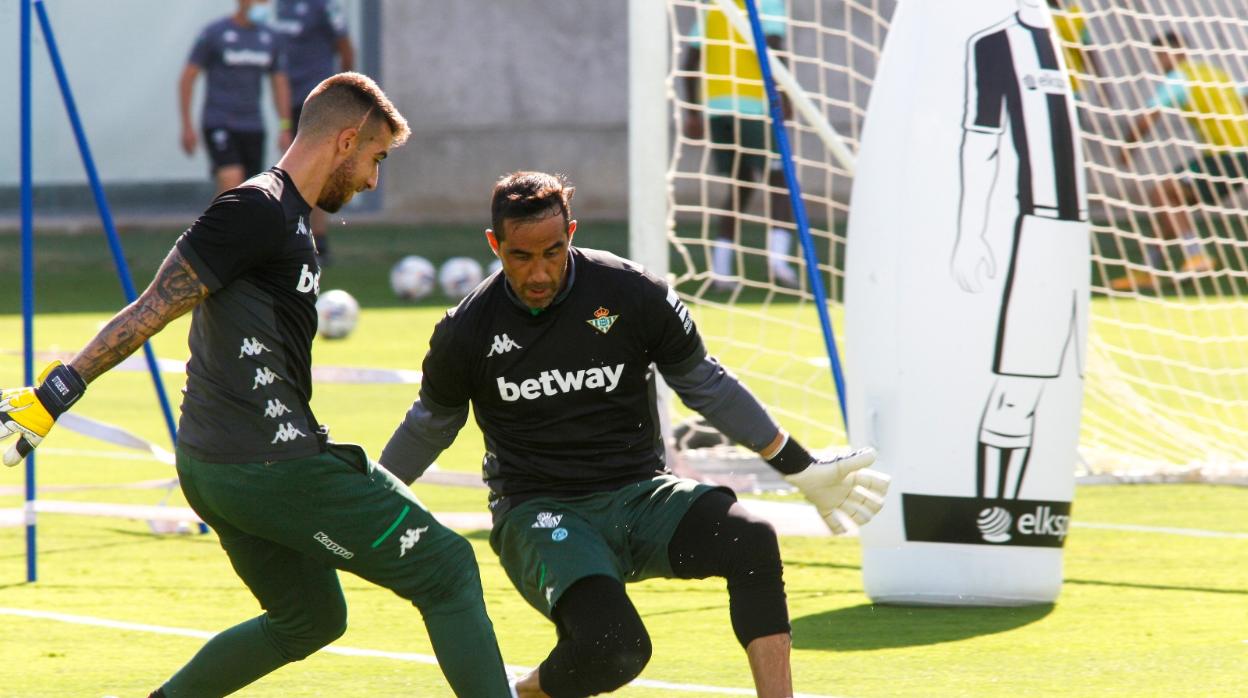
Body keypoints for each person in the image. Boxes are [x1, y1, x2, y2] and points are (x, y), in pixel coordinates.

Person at [1, 73, 511, 698]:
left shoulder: (289, 219)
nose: (374, 179)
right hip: (267, 464)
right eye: (375, 159)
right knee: (448, 568)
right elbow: (152, 307)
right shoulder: (255, 209)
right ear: (346, 140)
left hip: (217, 468)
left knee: (311, 619)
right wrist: (56, 393)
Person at [381, 171, 890, 697]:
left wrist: (799, 466)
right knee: (615, 647)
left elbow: (705, 385)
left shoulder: (631, 292)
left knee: (751, 538)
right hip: (539, 510)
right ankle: (527, 693)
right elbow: (429, 427)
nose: (539, 273)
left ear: (571, 233)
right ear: (495, 245)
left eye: (553, 253)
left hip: (643, 495)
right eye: (520, 257)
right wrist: (358, 501)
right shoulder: (466, 330)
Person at [680, 0, 799, 290]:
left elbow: (691, 61)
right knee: (780, 180)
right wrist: (784, 94)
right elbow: (772, 49)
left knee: (741, 184)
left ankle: (721, 269)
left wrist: (693, 112)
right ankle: (778, 260)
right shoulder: (766, 3)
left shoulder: (714, 6)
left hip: (717, 108)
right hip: (754, 108)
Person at [1111, 31, 1237, 291]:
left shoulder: (1179, 79)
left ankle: (1196, 255)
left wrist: (1126, 149)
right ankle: (1148, 269)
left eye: (1161, 54)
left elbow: (1148, 116)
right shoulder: (1214, 74)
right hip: (1229, 155)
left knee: (1162, 193)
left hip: (1230, 154)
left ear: (1178, 52)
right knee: (1168, 204)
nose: (1159, 61)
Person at [272, 0, 356, 264]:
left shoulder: (324, 6)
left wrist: (340, 94)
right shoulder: (281, 7)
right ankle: (296, 240)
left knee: (319, 170)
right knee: (295, 173)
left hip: (319, 99)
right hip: (293, 101)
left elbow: (346, 49)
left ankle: (319, 242)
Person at [180, 0, 293, 194]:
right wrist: (187, 126)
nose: (263, 4)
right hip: (219, 120)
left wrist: (285, 127)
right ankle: (218, 222)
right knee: (231, 178)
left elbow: (279, 84)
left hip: (253, 125)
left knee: (248, 194)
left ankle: (214, 224)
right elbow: (188, 78)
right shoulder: (214, 33)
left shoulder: (271, 38)